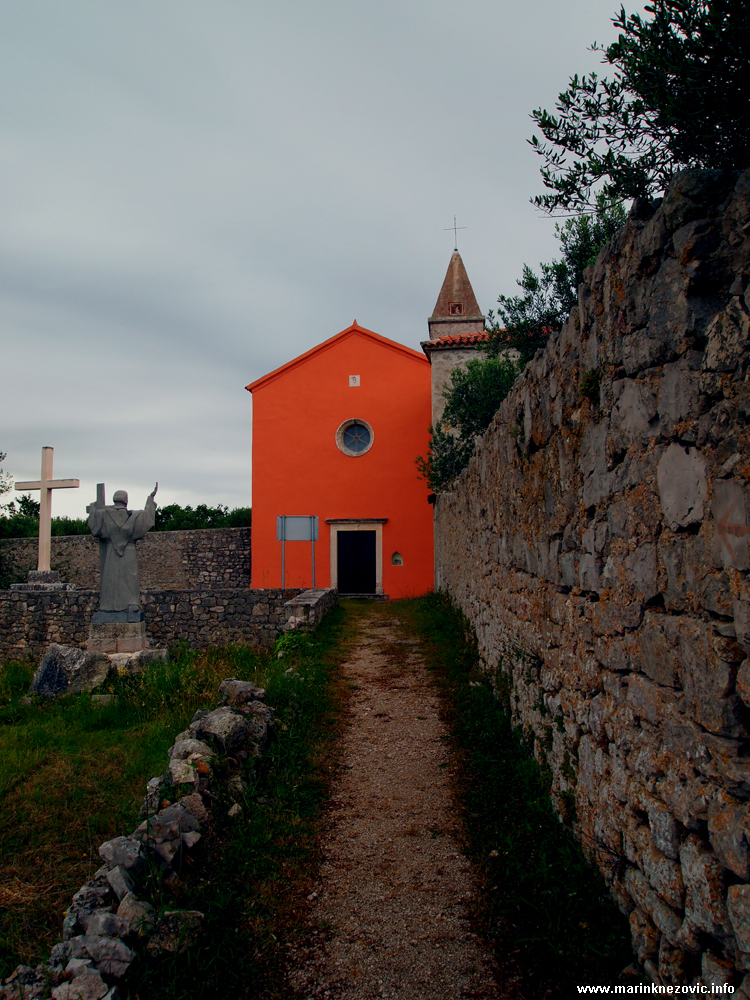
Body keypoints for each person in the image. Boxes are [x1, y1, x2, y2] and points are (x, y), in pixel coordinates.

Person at [88, 484, 157, 615]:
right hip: (129, 552)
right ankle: (131, 604)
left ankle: (108, 606)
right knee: (129, 580)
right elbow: (148, 518)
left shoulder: (102, 514)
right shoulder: (135, 516)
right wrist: (150, 499)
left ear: (114, 500)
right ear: (126, 500)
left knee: (111, 580)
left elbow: (94, 527)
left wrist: (93, 509)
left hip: (111, 552)